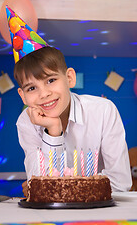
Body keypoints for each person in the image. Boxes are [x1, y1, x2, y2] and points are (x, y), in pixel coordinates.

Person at [14, 46, 132, 197]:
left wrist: (64, 191)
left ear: (69, 78)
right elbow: (41, 186)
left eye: (51, 80)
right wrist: (53, 131)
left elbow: (120, 182)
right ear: (23, 96)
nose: (44, 94)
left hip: (100, 212)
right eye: (31, 88)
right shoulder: (26, 122)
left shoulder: (103, 111)